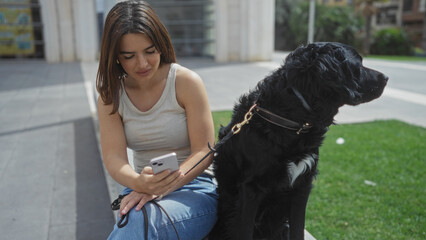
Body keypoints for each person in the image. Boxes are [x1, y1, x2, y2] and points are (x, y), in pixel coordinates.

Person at [96, 1, 217, 239]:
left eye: (149, 51)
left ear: (161, 46)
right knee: (137, 223)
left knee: (140, 224)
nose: (142, 63)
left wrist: (162, 186)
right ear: (115, 57)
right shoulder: (111, 95)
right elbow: (114, 158)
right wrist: (141, 184)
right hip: (141, 186)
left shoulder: (186, 82)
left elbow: (204, 150)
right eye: (129, 56)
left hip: (194, 187)